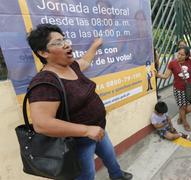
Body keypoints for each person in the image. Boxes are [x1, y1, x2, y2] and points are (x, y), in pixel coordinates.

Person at [26, 24, 132, 180]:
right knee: (86, 175)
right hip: (79, 142)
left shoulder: (71, 66)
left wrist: (95, 46)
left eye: (64, 40)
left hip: (98, 130)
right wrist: (86, 131)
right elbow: (42, 124)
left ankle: (117, 175)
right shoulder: (44, 82)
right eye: (57, 43)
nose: (67, 44)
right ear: (43, 52)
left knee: (110, 156)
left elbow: (85, 61)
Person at [157, 47, 191, 131]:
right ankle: (185, 123)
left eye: (182, 54)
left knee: (189, 109)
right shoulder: (172, 63)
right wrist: (157, 75)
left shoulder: (189, 61)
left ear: (187, 56)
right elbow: (166, 76)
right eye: (179, 53)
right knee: (182, 107)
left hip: (189, 89)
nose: (179, 56)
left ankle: (181, 117)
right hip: (178, 89)